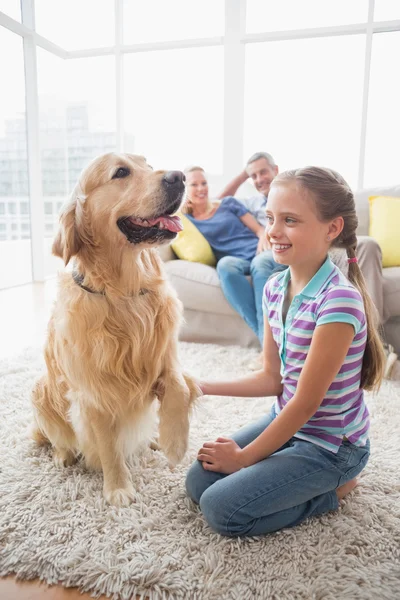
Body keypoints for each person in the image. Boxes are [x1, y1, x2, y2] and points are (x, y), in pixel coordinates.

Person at [185, 166, 386, 537]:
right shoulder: (275, 287)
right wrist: (202, 385)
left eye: (290, 220)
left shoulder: (339, 301)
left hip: (332, 447)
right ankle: (281, 467)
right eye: (271, 218)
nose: (273, 232)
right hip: (290, 423)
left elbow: (306, 404)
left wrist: (245, 459)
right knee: (198, 483)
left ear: (332, 228)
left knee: (222, 510)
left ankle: (336, 490)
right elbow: (272, 379)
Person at [183, 166, 279, 344]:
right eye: (193, 184)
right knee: (225, 265)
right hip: (237, 260)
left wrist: (262, 238)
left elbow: (259, 229)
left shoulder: (228, 203)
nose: (201, 188)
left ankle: (267, 347)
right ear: (184, 189)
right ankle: (266, 340)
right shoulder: (187, 220)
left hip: (260, 251)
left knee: (260, 264)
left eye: (203, 183)